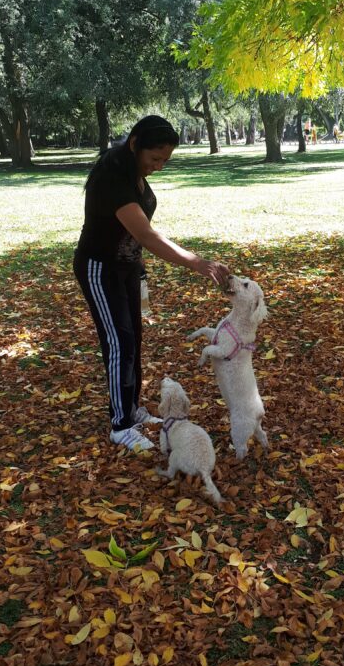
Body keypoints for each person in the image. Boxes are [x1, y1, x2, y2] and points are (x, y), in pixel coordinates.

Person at [73, 115, 231, 452]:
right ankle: (120, 425)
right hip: (99, 269)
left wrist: (139, 270)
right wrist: (197, 262)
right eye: (154, 158)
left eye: (165, 161)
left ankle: (132, 409)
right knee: (119, 343)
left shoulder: (135, 173)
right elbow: (145, 233)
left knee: (133, 340)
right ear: (134, 145)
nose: (159, 166)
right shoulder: (112, 178)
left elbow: (134, 235)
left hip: (127, 269)